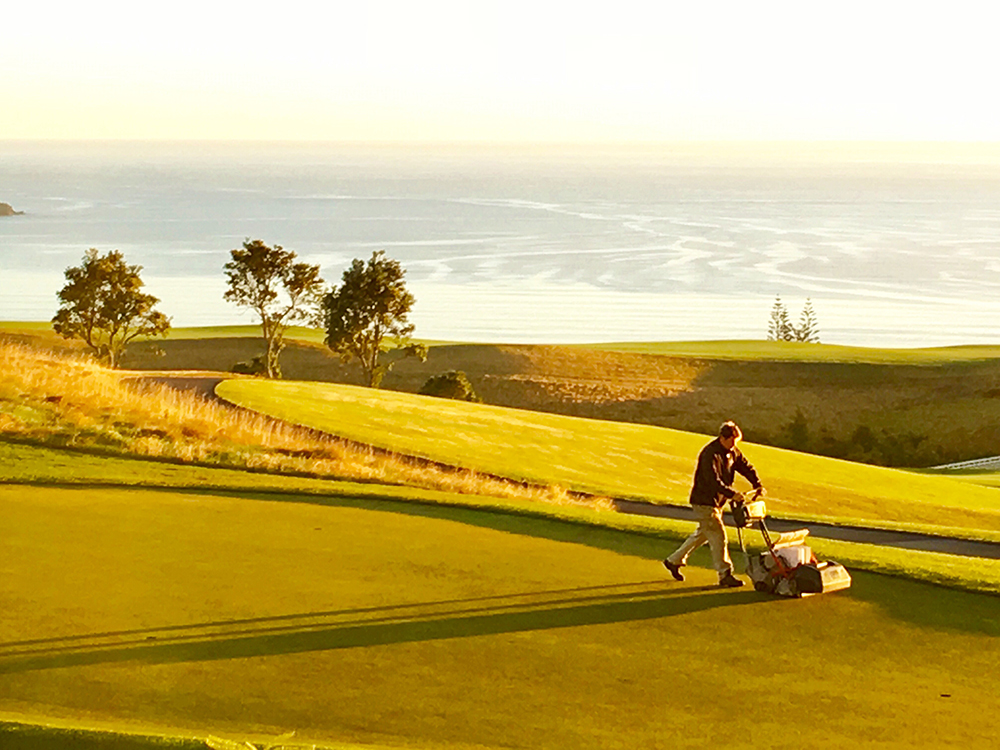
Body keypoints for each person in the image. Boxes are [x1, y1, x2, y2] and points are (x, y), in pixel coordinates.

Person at [663, 421, 763, 588]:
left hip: (716, 503)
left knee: (703, 534)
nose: (734, 445)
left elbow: (745, 466)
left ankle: (674, 561)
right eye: (732, 441)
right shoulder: (710, 454)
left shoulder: (732, 451)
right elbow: (713, 481)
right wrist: (733, 494)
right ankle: (725, 574)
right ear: (723, 438)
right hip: (704, 501)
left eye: (736, 442)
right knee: (718, 535)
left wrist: (757, 484)